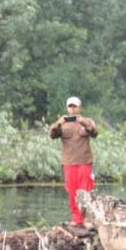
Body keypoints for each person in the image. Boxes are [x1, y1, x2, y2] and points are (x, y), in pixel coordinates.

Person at [49, 96, 97, 226]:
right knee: (71, 192)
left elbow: (94, 132)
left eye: (75, 106)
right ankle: (77, 219)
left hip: (84, 162)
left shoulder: (87, 121)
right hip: (68, 163)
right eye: (70, 106)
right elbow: (52, 135)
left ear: (80, 108)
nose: (72, 109)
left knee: (86, 191)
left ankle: (88, 219)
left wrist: (83, 122)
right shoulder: (62, 123)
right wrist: (58, 123)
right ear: (67, 108)